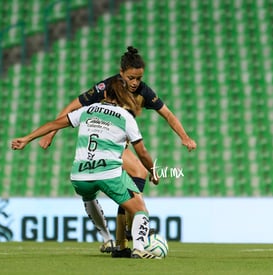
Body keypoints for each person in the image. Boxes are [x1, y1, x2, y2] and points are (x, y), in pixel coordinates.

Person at [38, 46, 197, 257]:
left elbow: (167, 114)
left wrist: (184, 136)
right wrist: (51, 133)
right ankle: (126, 234)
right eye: (131, 78)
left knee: (137, 175)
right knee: (140, 174)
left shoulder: (143, 91)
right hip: (105, 147)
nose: (135, 83)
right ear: (121, 72)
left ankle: (121, 240)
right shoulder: (107, 87)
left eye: (139, 78)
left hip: (118, 146)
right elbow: (74, 105)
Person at [11, 77, 161, 259]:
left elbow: (53, 124)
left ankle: (107, 239)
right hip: (108, 174)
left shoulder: (86, 111)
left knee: (89, 198)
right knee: (139, 208)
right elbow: (142, 153)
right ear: (123, 98)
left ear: (105, 94)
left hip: (79, 176)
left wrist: (27, 138)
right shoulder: (125, 117)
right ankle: (139, 248)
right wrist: (153, 171)